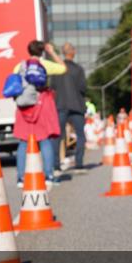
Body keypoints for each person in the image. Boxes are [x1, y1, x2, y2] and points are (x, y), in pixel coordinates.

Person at [12, 41, 66, 188]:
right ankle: (48, 175)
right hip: (42, 103)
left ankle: (21, 178)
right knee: (45, 140)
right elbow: (63, 68)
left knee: (23, 141)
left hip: (24, 105)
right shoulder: (45, 64)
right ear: (42, 51)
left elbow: (15, 82)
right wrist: (52, 52)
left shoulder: (20, 66)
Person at [51, 42, 89, 173]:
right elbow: (83, 88)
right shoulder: (78, 69)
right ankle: (79, 164)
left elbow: (53, 87)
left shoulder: (57, 69)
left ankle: (56, 165)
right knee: (80, 135)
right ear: (73, 52)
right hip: (77, 105)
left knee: (57, 136)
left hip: (61, 105)